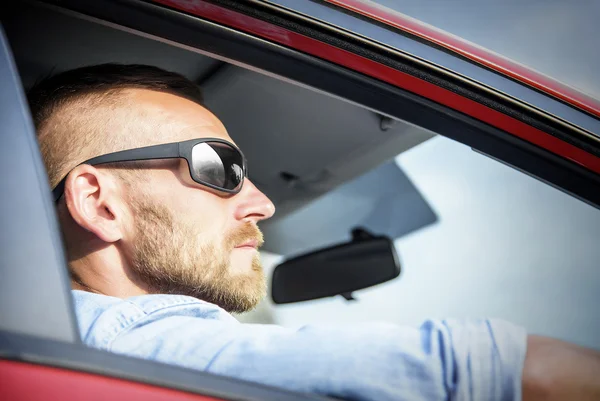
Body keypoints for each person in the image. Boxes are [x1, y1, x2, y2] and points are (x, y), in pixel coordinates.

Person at [28, 64, 600, 401]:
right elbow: (506, 373)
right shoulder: (126, 338)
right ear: (99, 203)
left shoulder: (67, 345)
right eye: (220, 167)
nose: (263, 203)